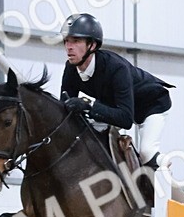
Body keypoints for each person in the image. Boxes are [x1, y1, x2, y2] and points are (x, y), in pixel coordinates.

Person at [58, 13, 175, 198]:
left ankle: (165, 174)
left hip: (151, 105)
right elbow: (64, 109)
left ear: (92, 45)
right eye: (66, 41)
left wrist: (88, 106)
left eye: (76, 41)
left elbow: (126, 120)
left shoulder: (115, 67)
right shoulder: (71, 69)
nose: (69, 47)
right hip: (117, 104)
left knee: (146, 151)